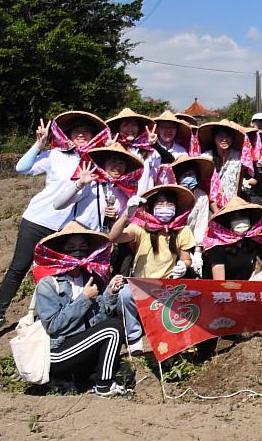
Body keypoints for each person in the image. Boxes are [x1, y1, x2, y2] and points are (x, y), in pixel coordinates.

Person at [0, 111, 108, 343]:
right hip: (38, 220)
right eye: (76, 131)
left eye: (86, 131)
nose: (81, 135)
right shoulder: (56, 155)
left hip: (66, 229)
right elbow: (22, 168)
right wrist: (38, 144)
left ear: (93, 136)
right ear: (68, 135)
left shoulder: (96, 163)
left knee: (54, 275)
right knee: (19, 268)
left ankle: (45, 317)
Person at [33, 222, 128, 397]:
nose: (78, 251)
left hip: (81, 346)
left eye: (83, 247)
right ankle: (103, 385)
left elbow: (99, 320)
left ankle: (86, 379)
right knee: (114, 328)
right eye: (71, 247)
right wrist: (84, 298)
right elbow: (54, 326)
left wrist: (110, 292)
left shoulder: (89, 279)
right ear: (61, 251)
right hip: (57, 352)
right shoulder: (48, 284)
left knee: (114, 331)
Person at [108, 184, 197, 353]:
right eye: (160, 204)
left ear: (176, 208)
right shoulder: (141, 228)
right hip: (140, 284)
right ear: (151, 207)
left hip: (166, 285)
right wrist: (127, 215)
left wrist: (183, 266)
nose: (165, 208)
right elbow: (114, 237)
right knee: (124, 295)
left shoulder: (182, 230)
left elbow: (186, 259)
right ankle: (133, 337)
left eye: (169, 205)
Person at [52, 143, 144, 233]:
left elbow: (124, 224)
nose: (117, 167)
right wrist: (79, 184)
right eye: (113, 162)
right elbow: (58, 205)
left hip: (99, 242)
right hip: (76, 235)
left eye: (121, 163)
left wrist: (114, 218)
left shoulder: (124, 192)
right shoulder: (91, 182)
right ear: (103, 163)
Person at [203, 196, 262, 281]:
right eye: (235, 217)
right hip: (226, 292)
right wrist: (250, 283)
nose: (241, 221)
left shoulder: (253, 242)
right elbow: (219, 284)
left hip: (248, 292)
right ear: (228, 222)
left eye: (243, 216)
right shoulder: (218, 247)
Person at [170, 155, 217, 275]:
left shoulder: (201, 197)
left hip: (190, 245)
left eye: (191, 174)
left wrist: (197, 252)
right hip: (170, 242)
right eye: (185, 175)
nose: (188, 178)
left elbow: (200, 225)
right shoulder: (171, 194)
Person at [105, 108, 168, 194]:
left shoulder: (147, 149)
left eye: (134, 125)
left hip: (145, 200)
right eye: (125, 125)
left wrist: (155, 145)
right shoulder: (112, 150)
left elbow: (169, 160)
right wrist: (111, 149)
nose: (130, 129)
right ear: (118, 128)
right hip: (119, 202)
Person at [198, 120, 248, 204]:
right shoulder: (206, 158)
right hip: (209, 204)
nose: (224, 139)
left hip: (233, 202)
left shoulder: (239, 157)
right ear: (214, 137)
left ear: (233, 138)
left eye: (228, 135)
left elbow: (239, 184)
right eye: (220, 135)